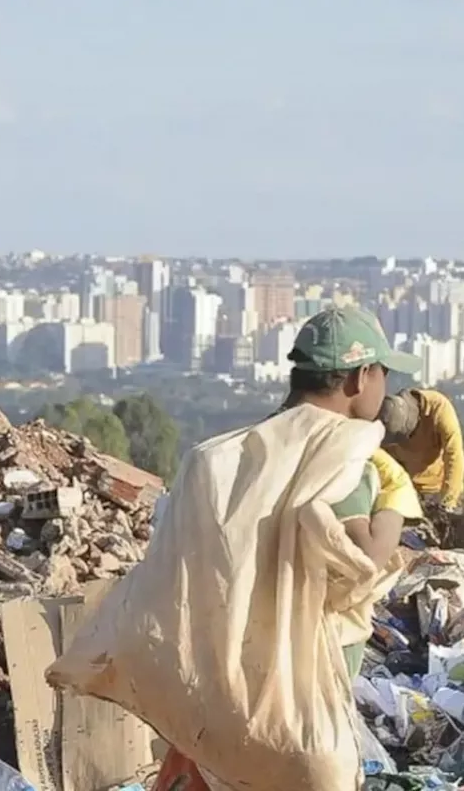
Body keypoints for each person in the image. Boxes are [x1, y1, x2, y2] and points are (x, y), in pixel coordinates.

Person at [152, 305, 423, 791]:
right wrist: (396, 501)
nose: (385, 387)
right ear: (361, 378)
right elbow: (363, 560)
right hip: (299, 696)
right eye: (384, 372)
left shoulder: (224, 456)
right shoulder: (340, 457)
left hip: (220, 685)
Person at [379, 387, 464, 509]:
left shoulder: (439, 407)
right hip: (407, 490)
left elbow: (454, 454)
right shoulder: (388, 418)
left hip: (439, 489)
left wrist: (449, 501)